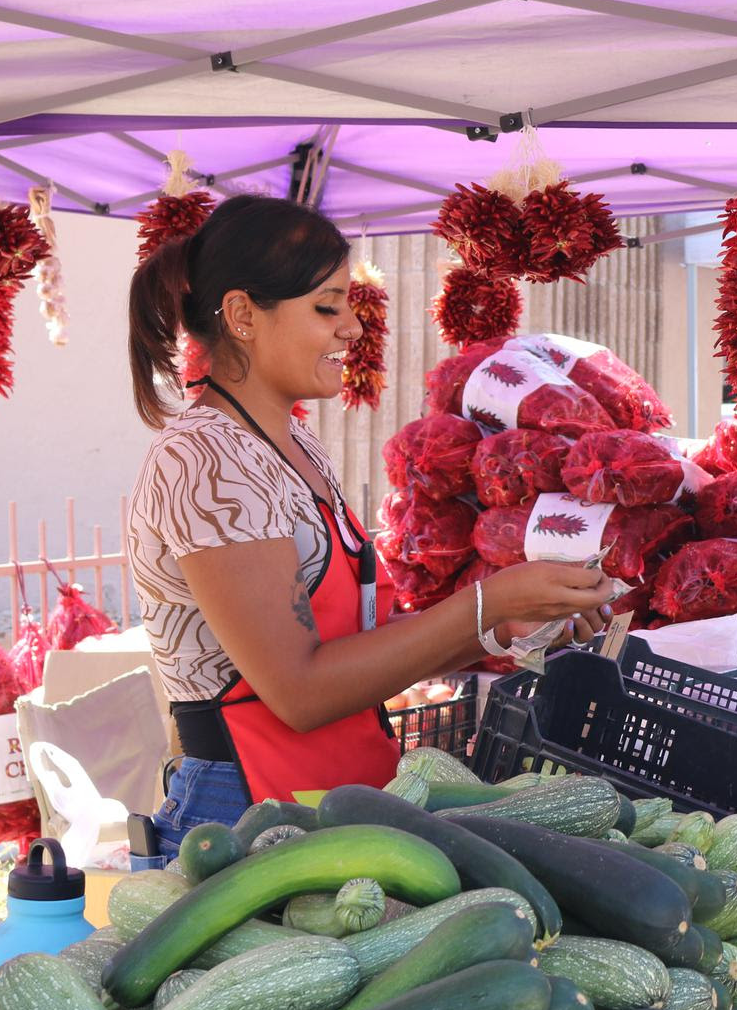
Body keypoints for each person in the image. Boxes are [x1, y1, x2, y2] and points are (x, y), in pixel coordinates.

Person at [127, 195, 616, 854]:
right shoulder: (203, 461)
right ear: (242, 315)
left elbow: (367, 649)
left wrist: (505, 624)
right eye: (327, 307)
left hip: (330, 793)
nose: (353, 328)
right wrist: (488, 599)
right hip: (243, 810)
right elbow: (299, 690)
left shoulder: (296, 445)